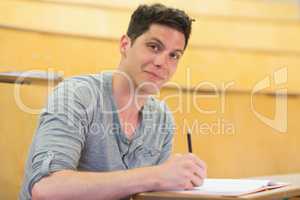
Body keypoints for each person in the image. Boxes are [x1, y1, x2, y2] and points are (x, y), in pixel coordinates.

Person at [20, 3, 207, 200]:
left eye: (174, 55)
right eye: (154, 47)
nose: (162, 62)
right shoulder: (77, 95)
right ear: (125, 44)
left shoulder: (162, 119)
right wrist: (157, 175)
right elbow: (46, 189)